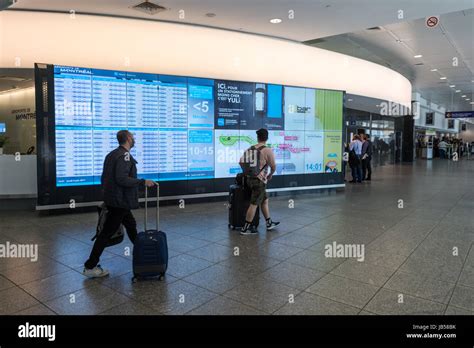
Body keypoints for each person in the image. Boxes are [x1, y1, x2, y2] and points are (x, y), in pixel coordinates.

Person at [83, 130, 156, 278]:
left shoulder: (112, 154)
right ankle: (89, 266)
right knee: (106, 234)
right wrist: (143, 182)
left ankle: (145, 256)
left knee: (131, 225)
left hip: (115, 200)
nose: (134, 139)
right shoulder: (124, 156)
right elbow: (121, 179)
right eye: (133, 137)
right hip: (119, 202)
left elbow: (104, 178)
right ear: (128, 138)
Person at [239, 128, 279, 235]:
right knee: (254, 204)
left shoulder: (250, 149)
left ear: (258, 137)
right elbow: (273, 166)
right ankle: (245, 228)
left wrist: (248, 172)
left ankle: (269, 222)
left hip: (250, 179)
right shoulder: (267, 150)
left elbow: (241, 161)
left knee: (264, 200)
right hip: (259, 181)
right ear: (267, 138)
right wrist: (270, 174)